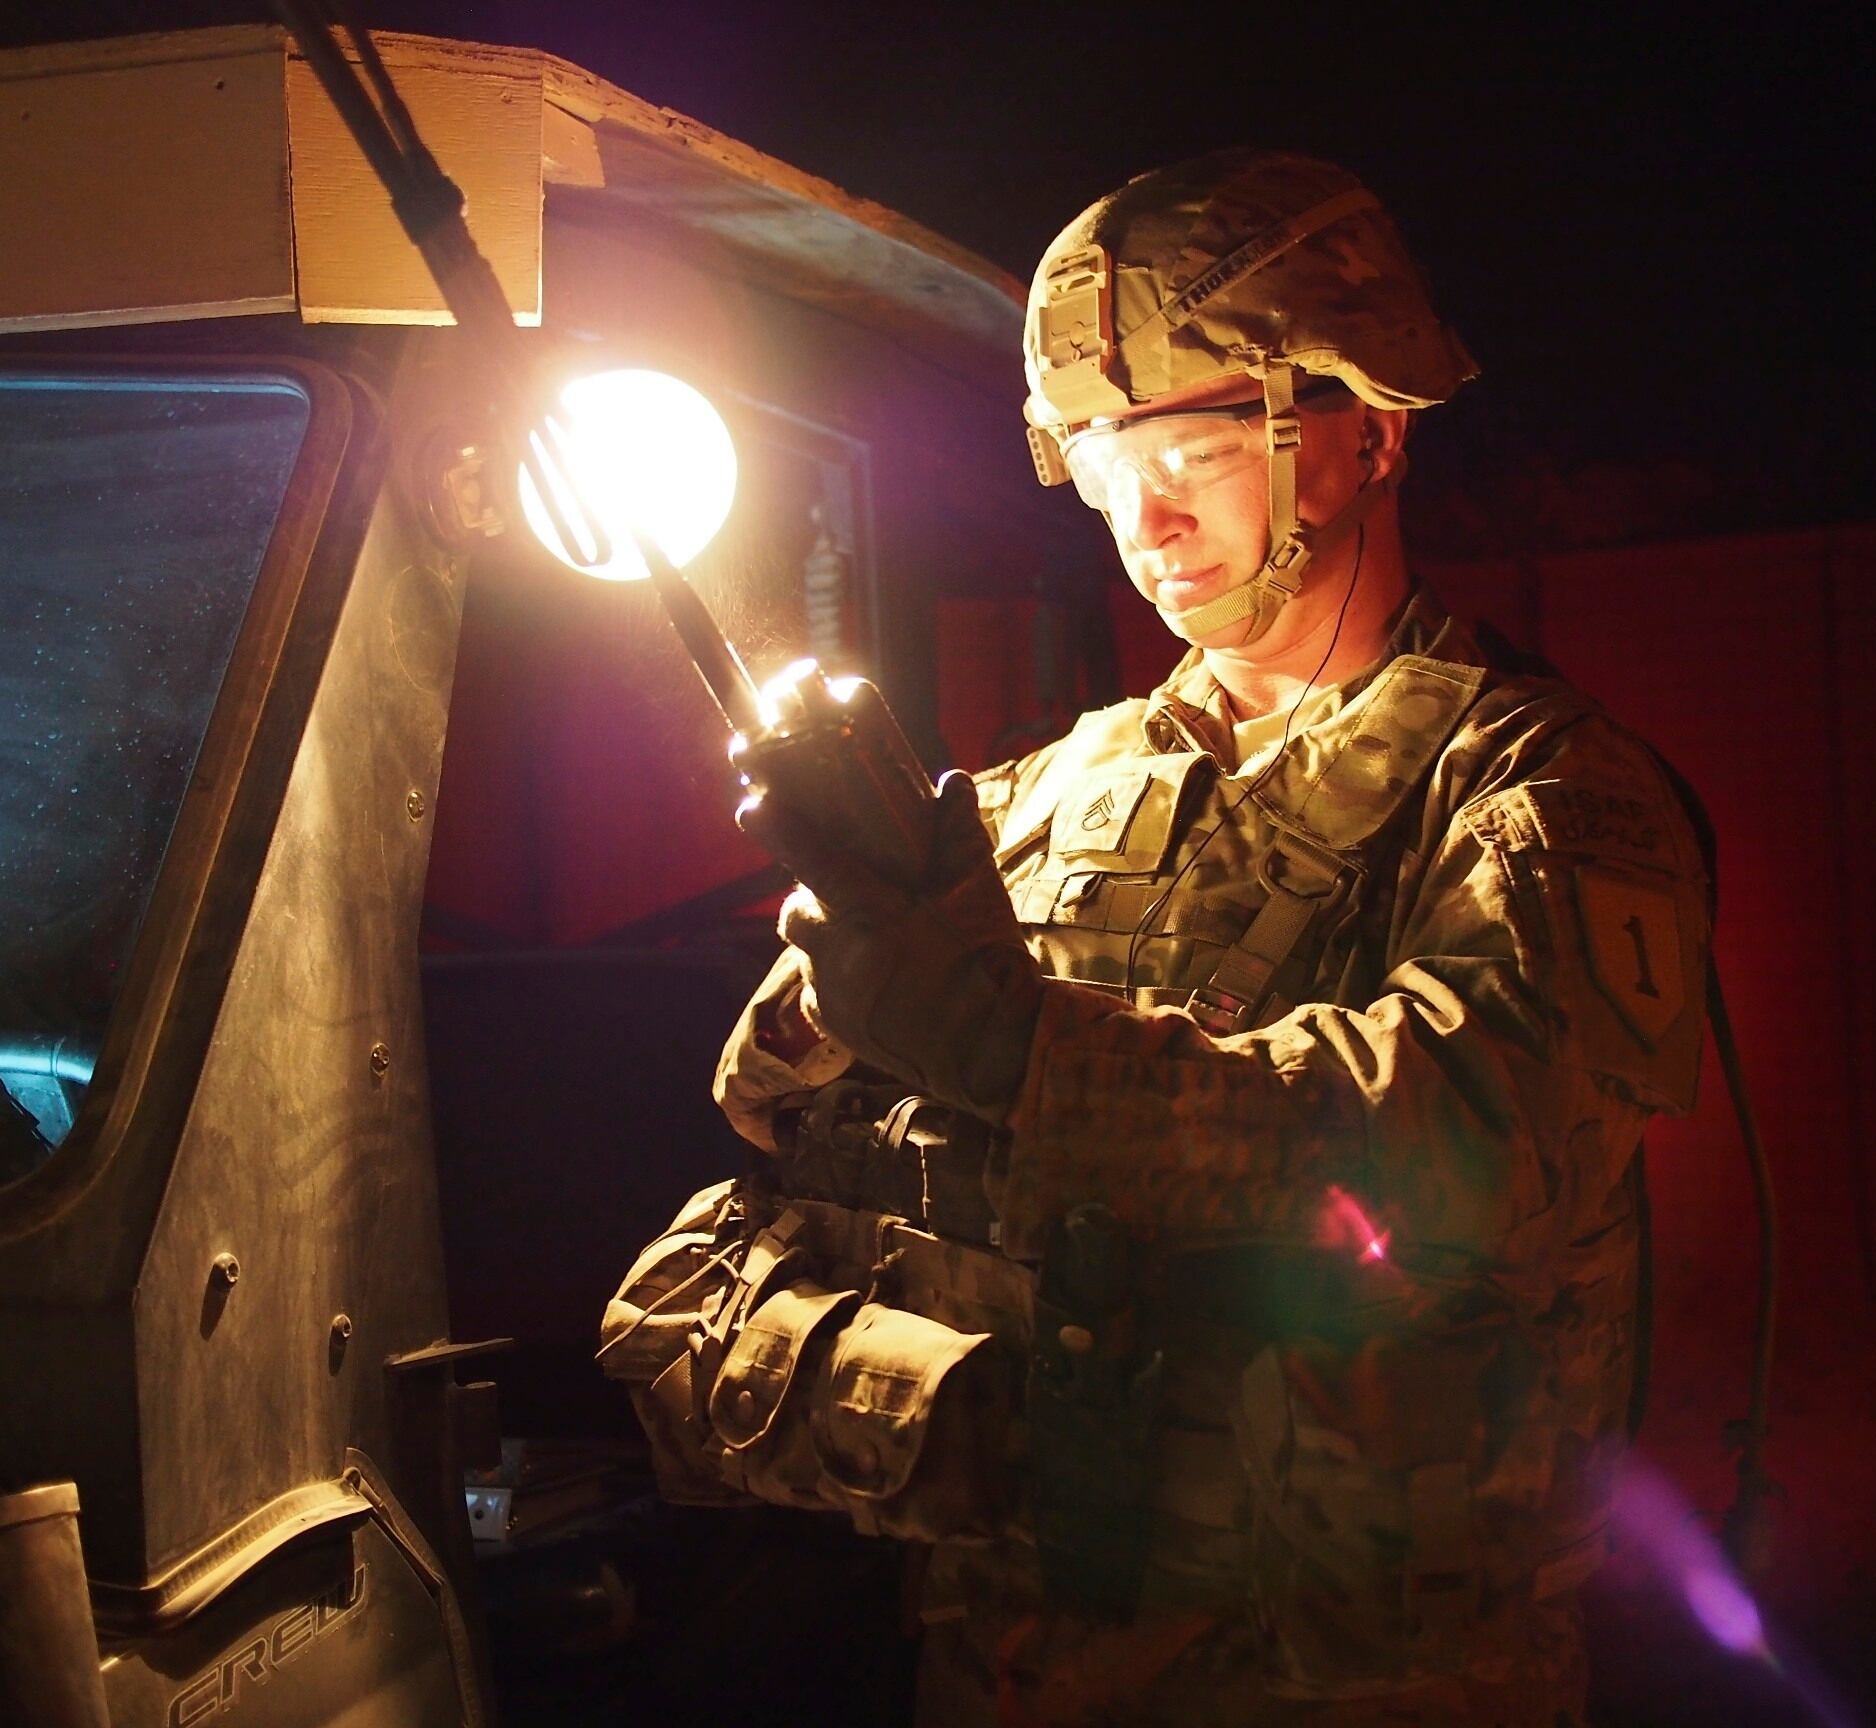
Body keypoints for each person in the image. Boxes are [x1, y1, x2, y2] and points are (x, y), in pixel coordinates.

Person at [705, 148, 1711, 1726]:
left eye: (1195, 438)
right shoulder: (1045, 795)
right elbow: (780, 1116)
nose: (1142, 506)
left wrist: (1005, 1044)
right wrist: (844, 968)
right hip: (1017, 1653)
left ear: (1367, 428)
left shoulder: (1541, 790)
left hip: (1370, 1682)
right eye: (1100, 452)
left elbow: (1460, 1149)